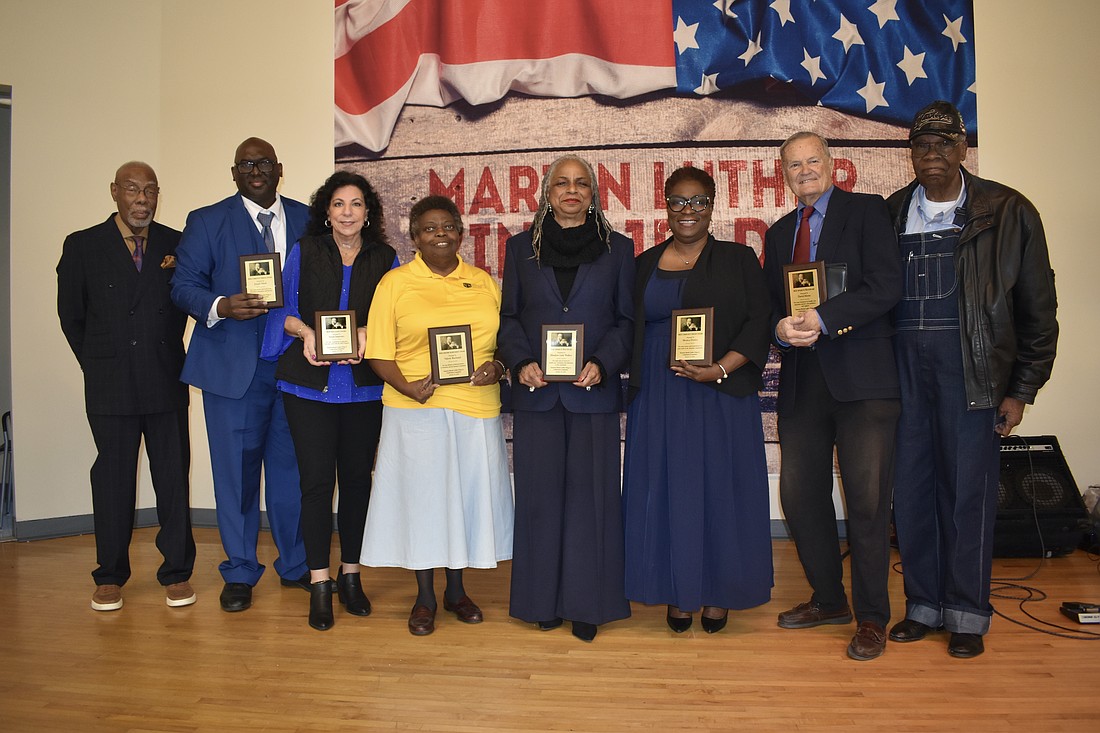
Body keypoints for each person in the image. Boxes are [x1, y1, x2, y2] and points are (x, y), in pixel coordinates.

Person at [886, 101, 1059, 659]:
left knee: (967, 496)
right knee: (911, 493)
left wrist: (1022, 389)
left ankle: (966, 612)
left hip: (973, 375)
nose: (931, 155)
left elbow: (1038, 311)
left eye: (944, 144)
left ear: (964, 148)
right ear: (909, 153)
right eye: (921, 145)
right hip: (902, 377)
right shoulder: (890, 214)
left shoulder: (1007, 211)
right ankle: (923, 605)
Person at [762, 131, 903, 661]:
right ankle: (828, 599)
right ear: (784, 173)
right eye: (793, 165)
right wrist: (780, 329)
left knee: (867, 504)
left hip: (864, 382)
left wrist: (824, 318)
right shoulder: (778, 234)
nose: (804, 171)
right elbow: (772, 305)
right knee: (800, 497)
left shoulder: (867, 212)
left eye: (812, 161)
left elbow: (887, 286)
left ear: (831, 163)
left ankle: (871, 618)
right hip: (803, 382)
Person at [623, 166, 773, 634]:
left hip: (718, 392)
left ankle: (717, 590)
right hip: (659, 393)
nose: (688, 211)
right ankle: (675, 587)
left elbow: (759, 319)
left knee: (717, 486)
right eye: (679, 201)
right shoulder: (643, 262)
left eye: (699, 201)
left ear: (713, 206)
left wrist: (721, 368)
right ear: (665, 205)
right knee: (664, 486)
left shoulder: (737, 258)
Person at [361, 195, 513, 636]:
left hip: (474, 408)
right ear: (413, 237)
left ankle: (457, 591)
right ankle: (426, 597)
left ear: (461, 233)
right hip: (415, 410)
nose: (440, 235)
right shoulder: (396, 283)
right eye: (429, 228)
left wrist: (500, 366)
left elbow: (508, 338)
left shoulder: (483, 282)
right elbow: (378, 351)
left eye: (447, 227)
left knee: (464, 500)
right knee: (425, 503)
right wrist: (406, 385)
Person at [498, 154, 634, 642]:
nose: (571, 190)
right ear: (547, 192)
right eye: (562, 183)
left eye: (581, 184)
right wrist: (518, 363)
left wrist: (604, 362)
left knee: (591, 502)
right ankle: (541, 601)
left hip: (591, 393)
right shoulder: (519, 249)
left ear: (593, 193)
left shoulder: (619, 249)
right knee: (539, 501)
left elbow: (626, 320)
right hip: (537, 396)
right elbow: (508, 318)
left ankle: (588, 604)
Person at [171, 137, 309, 613]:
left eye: (265, 162)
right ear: (234, 173)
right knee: (236, 475)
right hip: (232, 371)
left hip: (296, 368)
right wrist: (220, 306)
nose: (256, 170)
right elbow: (183, 286)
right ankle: (240, 570)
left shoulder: (309, 219)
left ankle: (296, 566)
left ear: (279, 169)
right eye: (246, 164)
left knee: (293, 473)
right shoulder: (206, 221)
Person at [261, 171, 397, 630]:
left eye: (356, 204)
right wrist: (303, 333)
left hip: (364, 388)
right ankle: (320, 583)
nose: (347, 213)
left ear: (367, 212)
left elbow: (397, 316)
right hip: (308, 388)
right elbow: (282, 308)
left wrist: (367, 332)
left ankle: (351, 576)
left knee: (358, 481)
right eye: (339, 204)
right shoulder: (305, 251)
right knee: (316, 485)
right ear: (326, 210)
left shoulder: (386, 257)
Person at [56, 161, 195, 611]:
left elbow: (188, 302)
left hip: (165, 376)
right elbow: (72, 317)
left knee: (172, 478)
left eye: (151, 190)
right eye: (133, 189)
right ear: (114, 192)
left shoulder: (177, 243)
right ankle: (110, 575)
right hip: (110, 382)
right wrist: (99, 364)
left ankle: (176, 572)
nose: (143, 199)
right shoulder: (82, 246)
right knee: (113, 481)